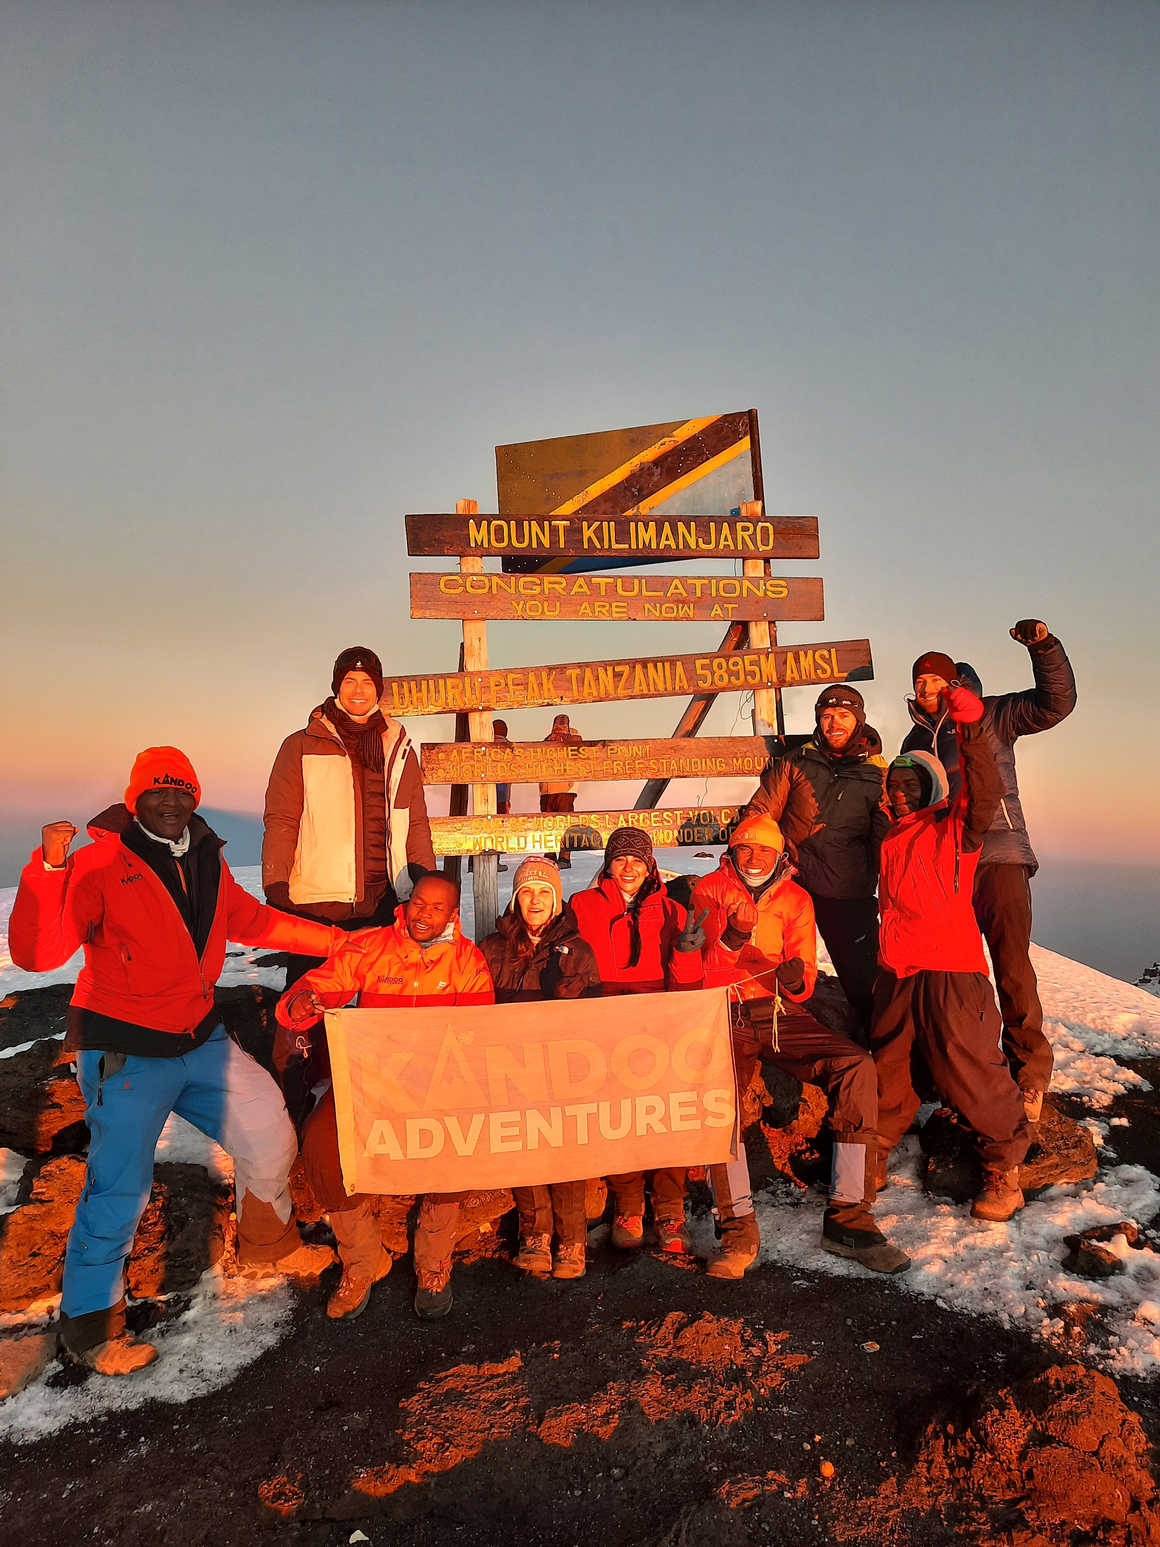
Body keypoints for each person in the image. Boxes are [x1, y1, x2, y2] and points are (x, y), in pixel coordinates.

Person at [8, 748, 343, 1376]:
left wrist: (341, 943)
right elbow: (37, 953)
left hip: (199, 1039)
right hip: (123, 1048)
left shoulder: (210, 861)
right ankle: (89, 1329)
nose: (170, 802)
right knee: (120, 1187)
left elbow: (257, 922)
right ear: (136, 798)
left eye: (181, 791)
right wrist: (49, 868)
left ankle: (268, 1245)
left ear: (195, 797)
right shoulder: (100, 861)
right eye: (157, 792)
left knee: (269, 1134)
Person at [693, 815, 909, 1278]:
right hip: (719, 1011)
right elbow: (701, 971)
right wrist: (733, 939)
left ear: (780, 856)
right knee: (719, 1097)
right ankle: (737, 1229)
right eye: (745, 849)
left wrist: (794, 983)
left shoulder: (796, 899)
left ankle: (849, 1217)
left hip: (773, 1011)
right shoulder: (709, 890)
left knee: (854, 1066)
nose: (754, 859)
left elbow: (805, 977)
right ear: (731, 852)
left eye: (764, 851)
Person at [275, 872, 499, 1321]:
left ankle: (433, 1258)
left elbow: (480, 1032)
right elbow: (322, 984)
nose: (423, 914)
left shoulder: (467, 960)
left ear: (453, 915)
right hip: (368, 1076)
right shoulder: (372, 946)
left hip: (436, 1082)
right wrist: (303, 1001)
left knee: (457, 1138)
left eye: (437, 909)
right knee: (323, 1141)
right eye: (418, 903)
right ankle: (361, 1259)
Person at [901, 624, 1076, 1124]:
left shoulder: (995, 712)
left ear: (954, 681)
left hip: (998, 855)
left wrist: (1044, 647)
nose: (926, 688)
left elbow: (1055, 703)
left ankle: (1028, 1076)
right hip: (947, 865)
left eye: (935, 680)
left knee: (1011, 966)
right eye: (919, 682)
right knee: (953, 972)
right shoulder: (915, 737)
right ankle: (962, 1066)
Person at [875, 682, 1031, 1221]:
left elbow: (984, 786)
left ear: (932, 788)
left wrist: (970, 725)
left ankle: (1004, 1170)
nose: (898, 793)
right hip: (898, 974)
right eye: (892, 785)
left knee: (971, 1071)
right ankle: (864, 1169)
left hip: (951, 972)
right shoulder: (891, 839)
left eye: (909, 784)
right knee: (888, 1077)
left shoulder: (954, 830)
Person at [262, 644, 435, 981]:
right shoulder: (300, 745)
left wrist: (426, 882)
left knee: (377, 1011)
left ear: (379, 690)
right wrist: (276, 884)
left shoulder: (397, 747)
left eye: (367, 682)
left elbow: (414, 822)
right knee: (309, 1006)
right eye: (350, 680)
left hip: (384, 904)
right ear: (337, 686)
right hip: (316, 907)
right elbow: (282, 819)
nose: (359, 690)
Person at [570, 826, 705, 1252]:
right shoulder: (581, 905)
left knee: (663, 1111)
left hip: (656, 1024)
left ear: (650, 866)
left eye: (637, 861)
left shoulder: (671, 910)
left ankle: (669, 1206)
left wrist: (685, 951)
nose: (628, 869)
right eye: (620, 860)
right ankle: (628, 1200)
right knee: (618, 1113)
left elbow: (689, 987)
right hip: (603, 1023)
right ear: (608, 864)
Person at [742, 684, 890, 1039]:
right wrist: (748, 851)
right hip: (791, 888)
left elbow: (885, 840)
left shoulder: (877, 774)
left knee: (864, 983)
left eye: (842, 716)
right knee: (774, 968)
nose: (833, 723)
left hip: (848, 892)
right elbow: (761, 812)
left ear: (858, 720)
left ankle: (883, 1054)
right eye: (826, 716)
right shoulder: (795, 762)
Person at [480, 857, 601, 1279]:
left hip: (563, 1067)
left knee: (565, 1151)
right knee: (526, 1149)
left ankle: (572, 1239)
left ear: (557, 899)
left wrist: (574, 1000)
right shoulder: (493, 948)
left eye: (544, 892)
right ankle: (534, 1234)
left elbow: (600, 1020)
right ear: (516, 898)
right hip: (511, 1066)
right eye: (527, 891)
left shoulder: (579, 949)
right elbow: (478, 1006)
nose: (535, 900)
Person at [538, 712, 583, 867]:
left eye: (563, 722)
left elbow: (579, 744)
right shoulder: (547, 739)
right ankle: (550, 854)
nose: (560, 724)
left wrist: (563, 738)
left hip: (566, 788)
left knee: (565, 822)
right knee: (548, 822)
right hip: (546, 789)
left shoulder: (574, 736)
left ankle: (565, 856)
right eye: (558, 722)